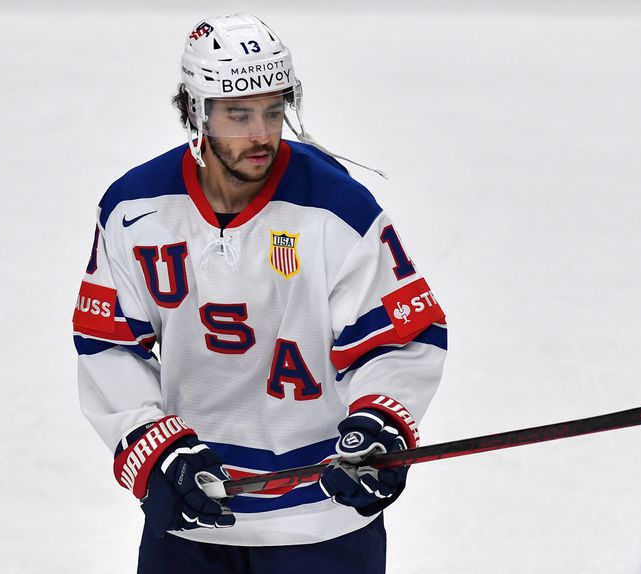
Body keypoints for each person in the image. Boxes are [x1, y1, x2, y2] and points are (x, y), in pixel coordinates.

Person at [72, 13, 447, 574]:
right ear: (196, 111)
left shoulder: (336, 210)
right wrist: (153, 448)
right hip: (193, 510)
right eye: (239, 114)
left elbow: (400, 338)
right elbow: (108, 344)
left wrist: (380, 424)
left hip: (323, 521)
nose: (261, 135)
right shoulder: (134, 209)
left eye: (273, 111)